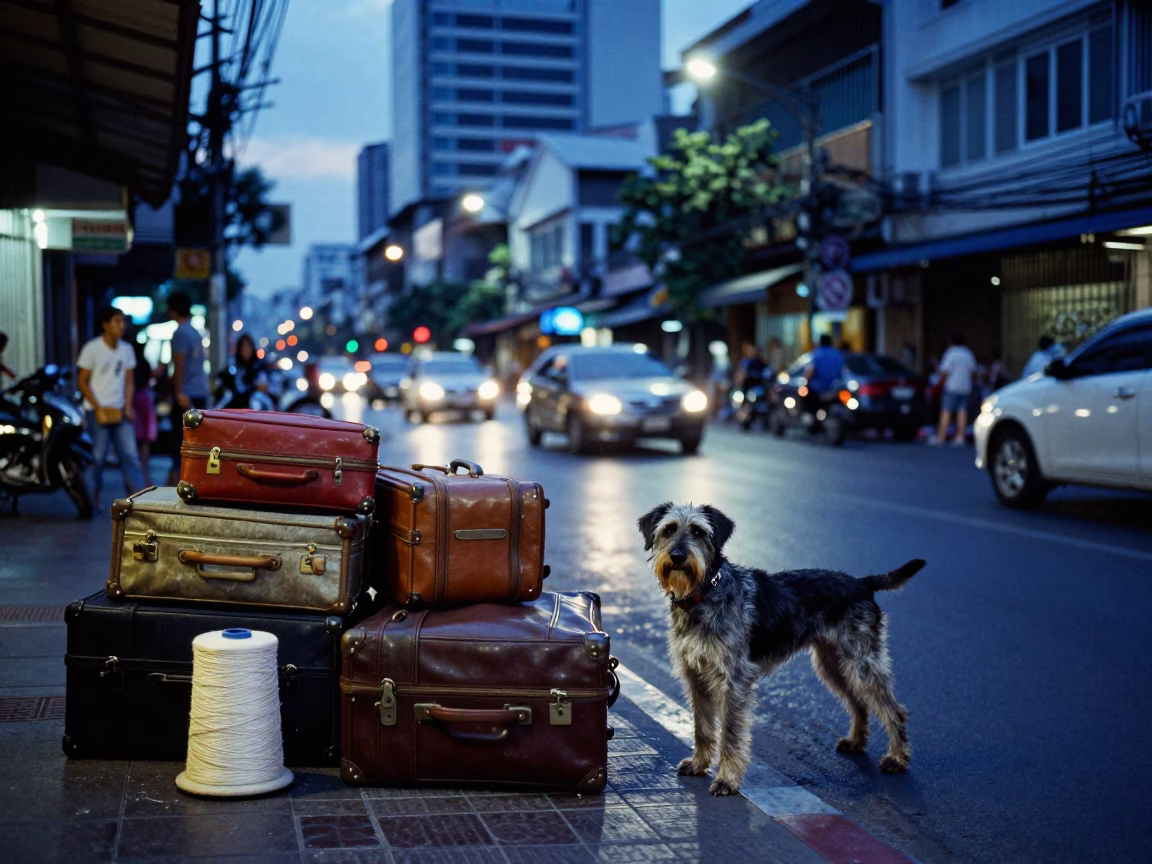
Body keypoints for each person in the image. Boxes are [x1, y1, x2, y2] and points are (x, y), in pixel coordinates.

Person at [76, 306, 146, 502]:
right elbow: (82, 381)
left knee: (130, 456)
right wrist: (98, 408)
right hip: (96, 411)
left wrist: (128, 406)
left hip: (120, 411)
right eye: (117, 321)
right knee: (97, 458)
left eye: (123, 321)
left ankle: (138, 501)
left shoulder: (127, 349)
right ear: (105, 325)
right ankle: (90, 499)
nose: (121, 325)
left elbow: (129, 381)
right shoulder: (92, 348)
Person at [165, 291, 211, 484]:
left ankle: (178, 479)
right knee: (195, 438)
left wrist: (178, 392)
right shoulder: (195, 332)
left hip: (186, 393)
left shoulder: (180, 333)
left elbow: (180, 364)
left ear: (173, 310)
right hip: (199, 391)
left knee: (180, 440)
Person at [930, 332, 978, 446]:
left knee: (946, 411)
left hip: (951, 387)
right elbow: (974, 372)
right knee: (962, 412)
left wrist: (939, 384)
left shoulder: (951, 353)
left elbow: (945, 371)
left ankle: (941, 436)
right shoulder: (968, 354)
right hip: (965, 387)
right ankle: (960, 437)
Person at [216, 333, 269, 408]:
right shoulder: (232, 367)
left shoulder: (258, 367)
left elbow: (263, 386)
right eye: (243, 348)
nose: (245, 351)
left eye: (248, 348)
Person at [131, 340, 158, 483]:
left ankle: (139, 476)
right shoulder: (144, 363)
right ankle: (144, 473)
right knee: (145, 440)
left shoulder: (132, 363)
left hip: (133, 403)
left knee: (135, 441)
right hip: (144, 403)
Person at [803, 334, 845, 416]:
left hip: (817, 390)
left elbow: (809, 372)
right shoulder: (837, 355)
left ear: (820, 342)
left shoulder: (816, 354)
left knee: (810, 411)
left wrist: (806, 381)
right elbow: (842, 372)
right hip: (834, 390)